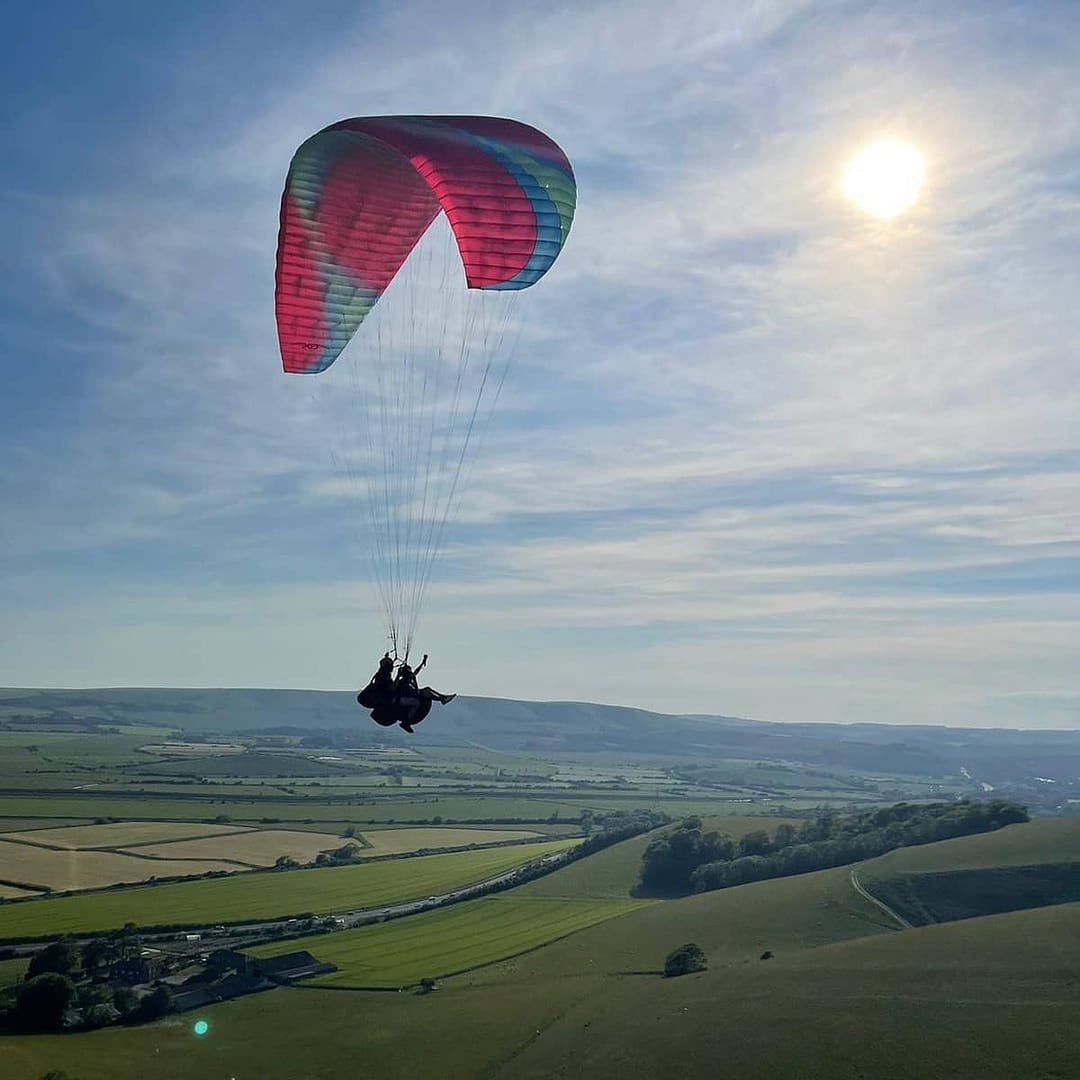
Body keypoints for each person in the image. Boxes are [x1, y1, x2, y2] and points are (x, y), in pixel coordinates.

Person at [391, 654, 456, 734]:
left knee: (427, 689)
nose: (411, 675)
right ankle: (406, 722)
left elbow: (416, 672)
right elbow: (416, 692)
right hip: (401, 700)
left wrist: (422, 663)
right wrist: (412, 680)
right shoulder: (402, 682)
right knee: (416, 703)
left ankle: (443, 698)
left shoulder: (410, 680)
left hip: (410, 696)